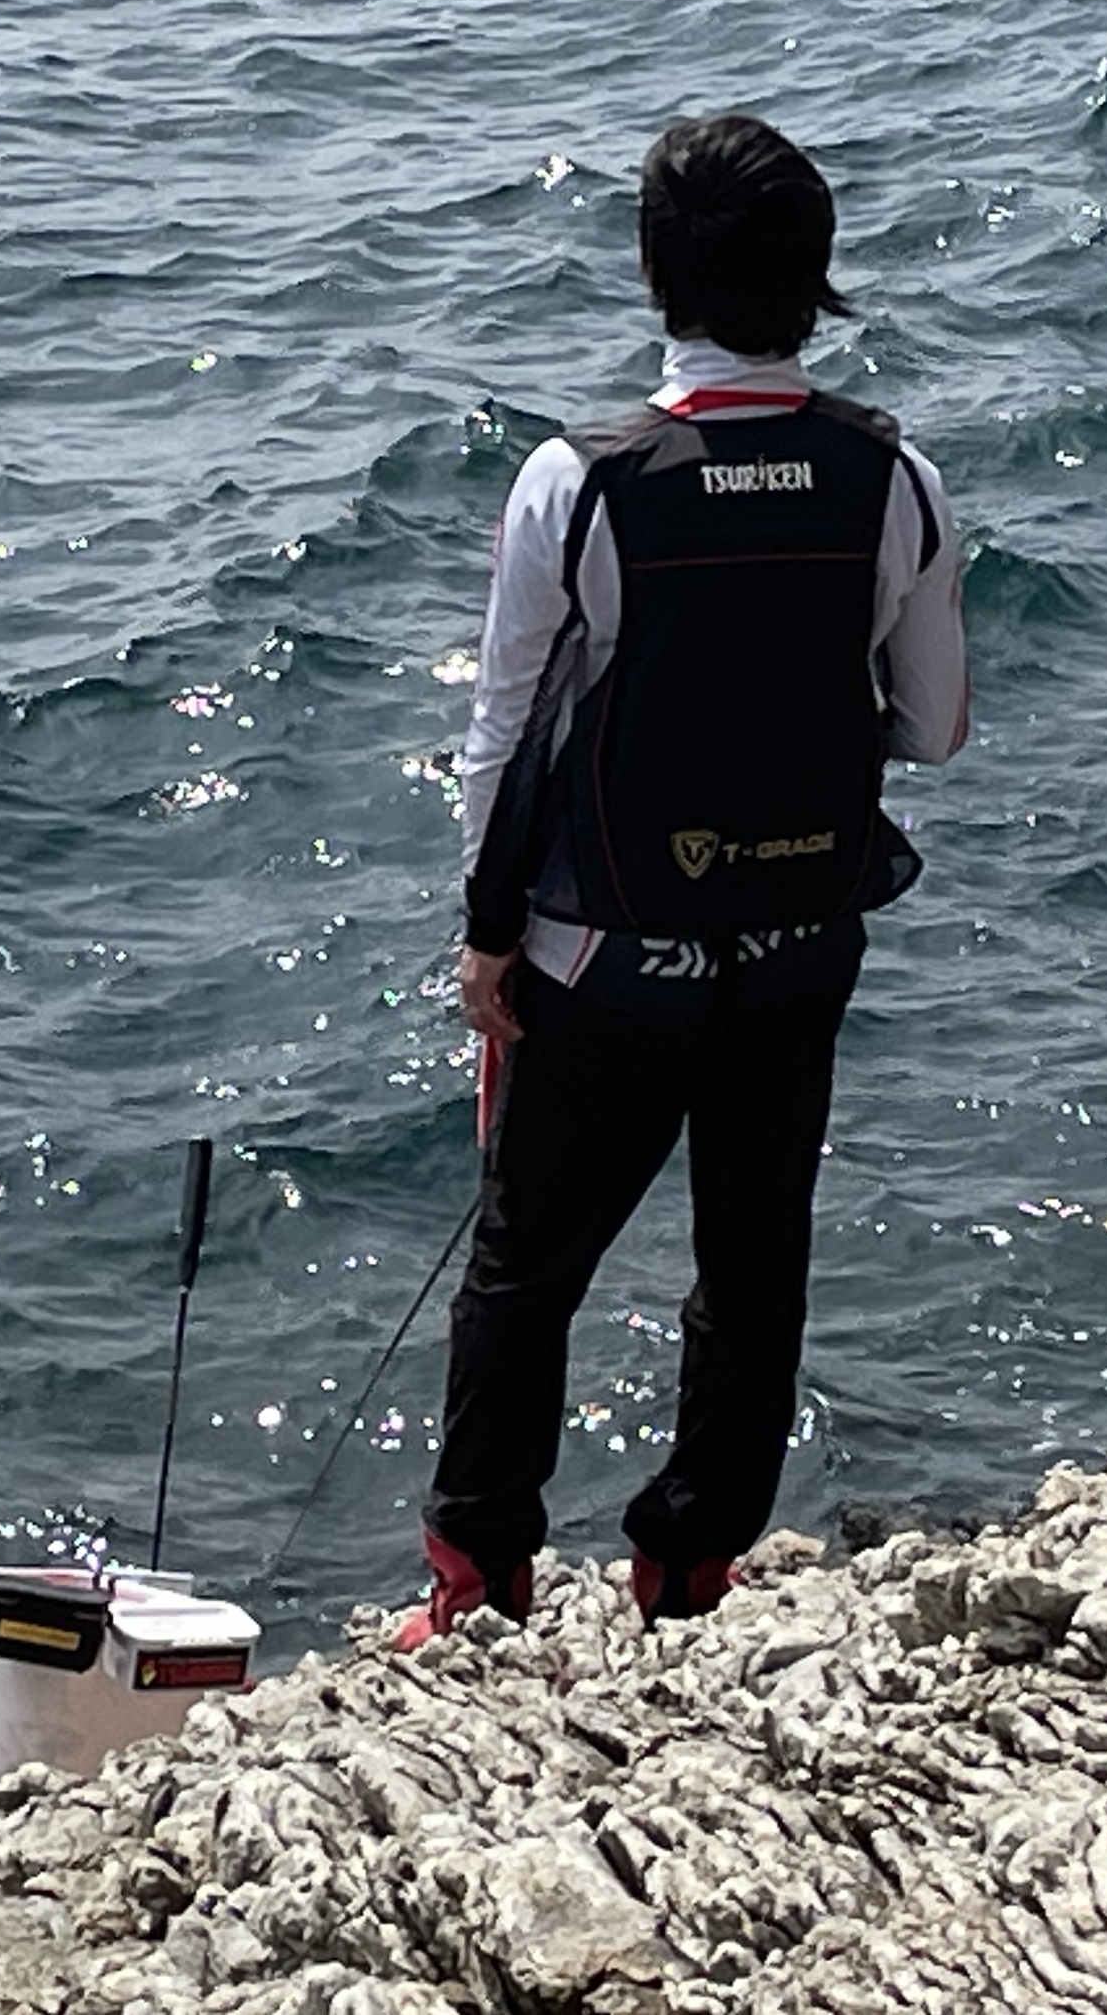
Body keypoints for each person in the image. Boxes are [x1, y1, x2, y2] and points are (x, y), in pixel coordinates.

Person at [399, 112, 971, 1646]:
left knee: (524, 1266)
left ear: (659, 273)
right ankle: (694, 1564)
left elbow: (502, 729)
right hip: (798, 944)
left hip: (605, 958)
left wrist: (486, 935)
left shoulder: (576, 482)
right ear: (817, 278)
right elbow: (934, 727)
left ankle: (477, 1578)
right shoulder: (894, 475)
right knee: (754, 1259)